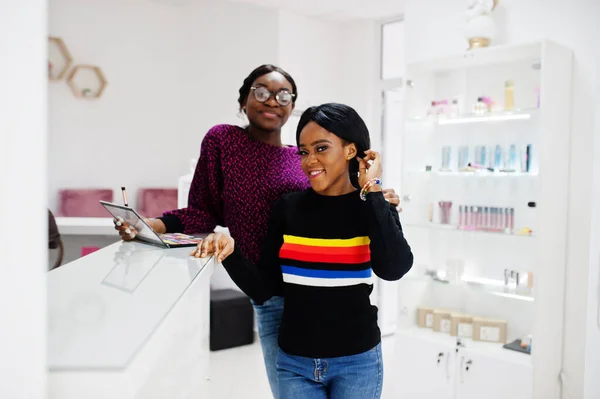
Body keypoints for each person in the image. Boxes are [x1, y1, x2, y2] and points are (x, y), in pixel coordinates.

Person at [113, 66, 401, 398]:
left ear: (292, 106)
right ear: (245, 97)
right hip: (268, 289)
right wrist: (147, 226)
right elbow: (201, 210)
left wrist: (377, 197)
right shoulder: (223, 141)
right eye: (261, 91)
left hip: (328, 296)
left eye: (284, 96)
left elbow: (340, 201)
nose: (272, 101)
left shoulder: (301, 159)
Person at [192, 103, 413, 399]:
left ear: (351, 150)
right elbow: (265, 287)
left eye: (321, 148)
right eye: (304, 152)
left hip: (357, 362)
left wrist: (372, 190)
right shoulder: (288, 208)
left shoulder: (374, 205)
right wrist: (230, 252)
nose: (310, 161)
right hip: (294, 363)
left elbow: (394, 268)